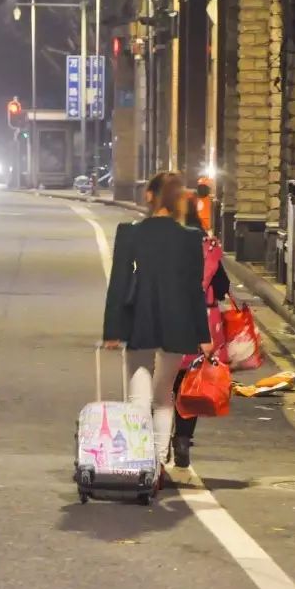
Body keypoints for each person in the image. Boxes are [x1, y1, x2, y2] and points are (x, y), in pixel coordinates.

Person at [103, 171, 213, 472]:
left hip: (140, 318)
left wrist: (112, 330)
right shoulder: (191, 238)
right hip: (178, 321)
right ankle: (158, 459)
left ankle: (141, 463)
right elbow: (195, 289)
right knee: (164, 395)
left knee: (138, 396)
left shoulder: (130, 233)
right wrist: (203, 335)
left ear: (149, 196)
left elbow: (119, 282)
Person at [170, 204, 230, 467]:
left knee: (164, 384)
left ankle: (157, 442)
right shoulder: (209, 251)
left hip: (172, 320)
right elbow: (222, 288)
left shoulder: (168, 248)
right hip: (203, 324)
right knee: (190, 384)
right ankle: (183, 439)